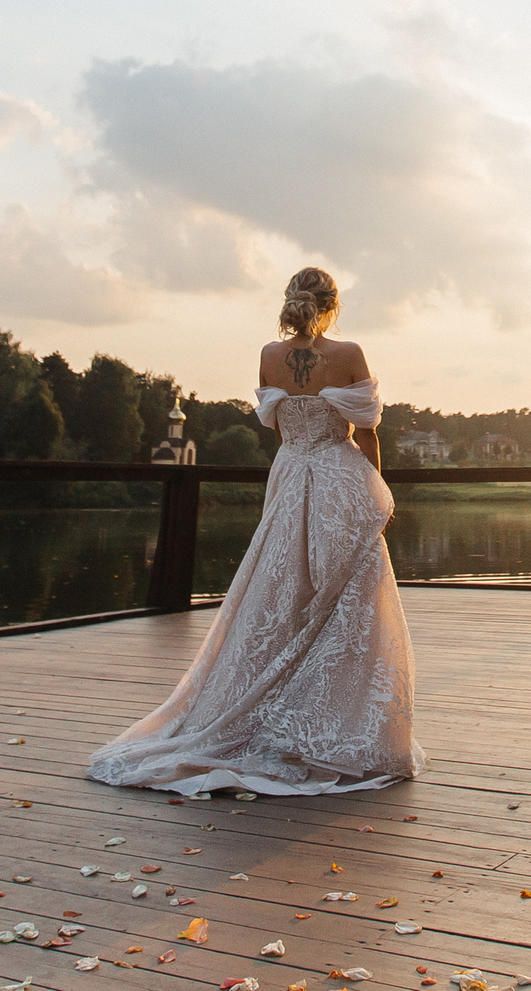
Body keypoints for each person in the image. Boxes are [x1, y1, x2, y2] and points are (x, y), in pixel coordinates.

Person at [86, 267, 425, 794]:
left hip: (290, 474)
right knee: (350, 602)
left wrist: (294, 470)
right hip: (339, 477)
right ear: (332, 305)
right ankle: (340, 726)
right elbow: (369, 432)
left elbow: (279, 430)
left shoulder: (269, 355)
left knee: (279, 596)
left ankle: (274, 712)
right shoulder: (350, 352)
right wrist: (374, 490)